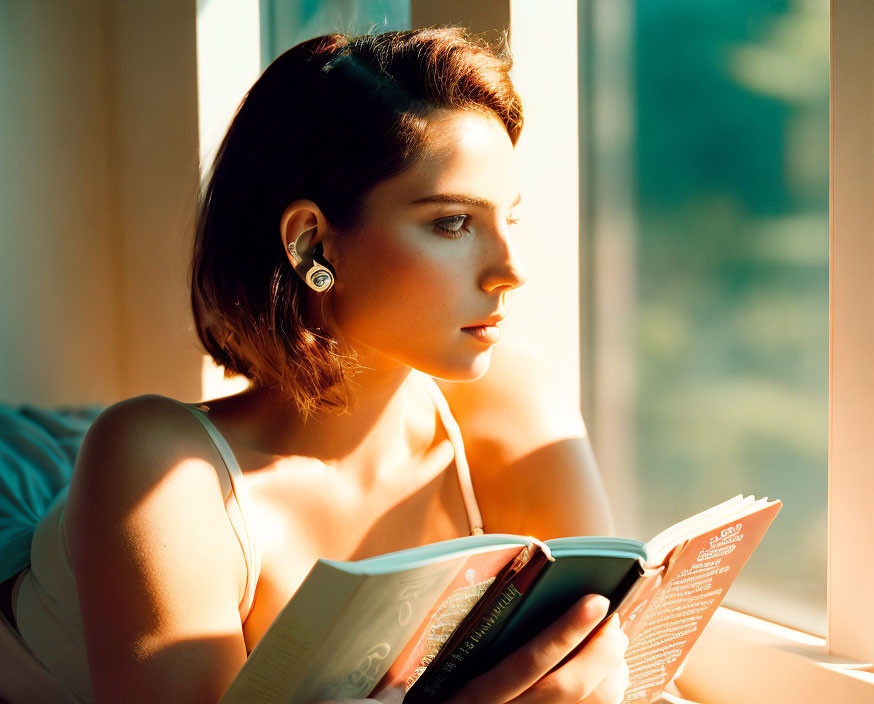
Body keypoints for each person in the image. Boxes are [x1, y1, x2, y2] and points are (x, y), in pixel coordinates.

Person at [0, 27, 625, 703]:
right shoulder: (157, 471)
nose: (512, 270)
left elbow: (607, 657)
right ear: (310, 243)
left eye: (511, 219)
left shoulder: (518, 402)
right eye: (452, 223)